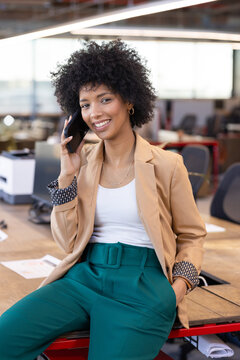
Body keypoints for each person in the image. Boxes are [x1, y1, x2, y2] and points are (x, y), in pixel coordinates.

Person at [0, 40, 206, 360]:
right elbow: (68, 242)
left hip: (143, 286)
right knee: (5, 338)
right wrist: (67, 175)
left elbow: (193, 236)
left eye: (105, 99)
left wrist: (176, 290)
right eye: (84, 104)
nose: (94, 113)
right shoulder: (84, 165)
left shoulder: (166, 165)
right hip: (85, 276)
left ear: (129, 101)